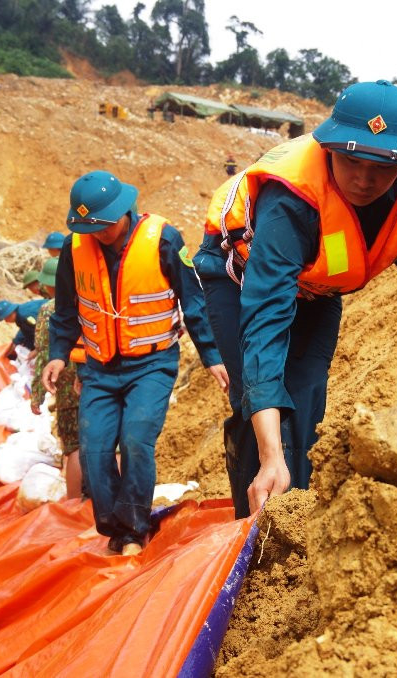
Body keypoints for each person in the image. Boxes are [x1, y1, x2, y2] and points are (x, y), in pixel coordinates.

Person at [193, 80, 397, 519]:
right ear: (328, 150)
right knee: (257, 404)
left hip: (319, 288)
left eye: (382, 167)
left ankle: (296, 515)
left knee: (307, 393)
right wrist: (273, 454)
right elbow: (265, 319)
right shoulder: (291, 202)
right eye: (350, 160)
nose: (364, 179)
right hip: (238, 280)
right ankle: (253, 522)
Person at [43, 170, 229, 556]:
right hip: (99, 369)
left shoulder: (163, 239)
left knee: (135, 440)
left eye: (105, 225)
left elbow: (193, 302)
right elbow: (65, 310)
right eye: (92, 227)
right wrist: (58, 356)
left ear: (123, 210)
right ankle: (115, 527)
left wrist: (212, 356)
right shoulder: (74, 249)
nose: (100, 234)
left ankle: (133, 529)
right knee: (94, 449)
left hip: (152, 364)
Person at [31, 256, 85, 499]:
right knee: (108, 445)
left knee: (73, 447)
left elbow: (44, 352)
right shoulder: (90, 300)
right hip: (97, 379)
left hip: (65, 387)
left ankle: (73, 508)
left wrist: (37, 393)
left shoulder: (48, 310)